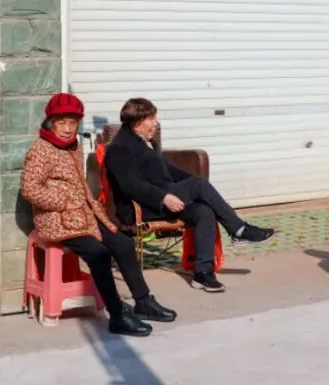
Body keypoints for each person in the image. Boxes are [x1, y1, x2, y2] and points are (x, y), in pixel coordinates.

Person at [20, 93, 176, 337]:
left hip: (83, 215)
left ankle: (143, 301)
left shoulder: (72, 146)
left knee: (123, 244)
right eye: (62, 122)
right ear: (51, 123)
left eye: (73, 123)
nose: (67, 129)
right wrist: (64, 201)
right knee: (98, 253)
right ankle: (117, 315)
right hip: (57, 220)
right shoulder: (41, 150)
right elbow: (30, 189)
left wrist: (88, 206)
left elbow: (79, 185)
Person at [104, 97, 274, 293]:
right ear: (137, 122)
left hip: (163, 199)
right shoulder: (118, 148)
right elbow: (131, 186)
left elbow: (170, 171)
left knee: (204, 211)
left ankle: (203, 273)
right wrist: (164, 197)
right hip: (141, 207)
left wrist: (202, 190)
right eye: (151, 119)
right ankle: (239, 230)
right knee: (199, 185)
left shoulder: (148, 143)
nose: (156, 123)